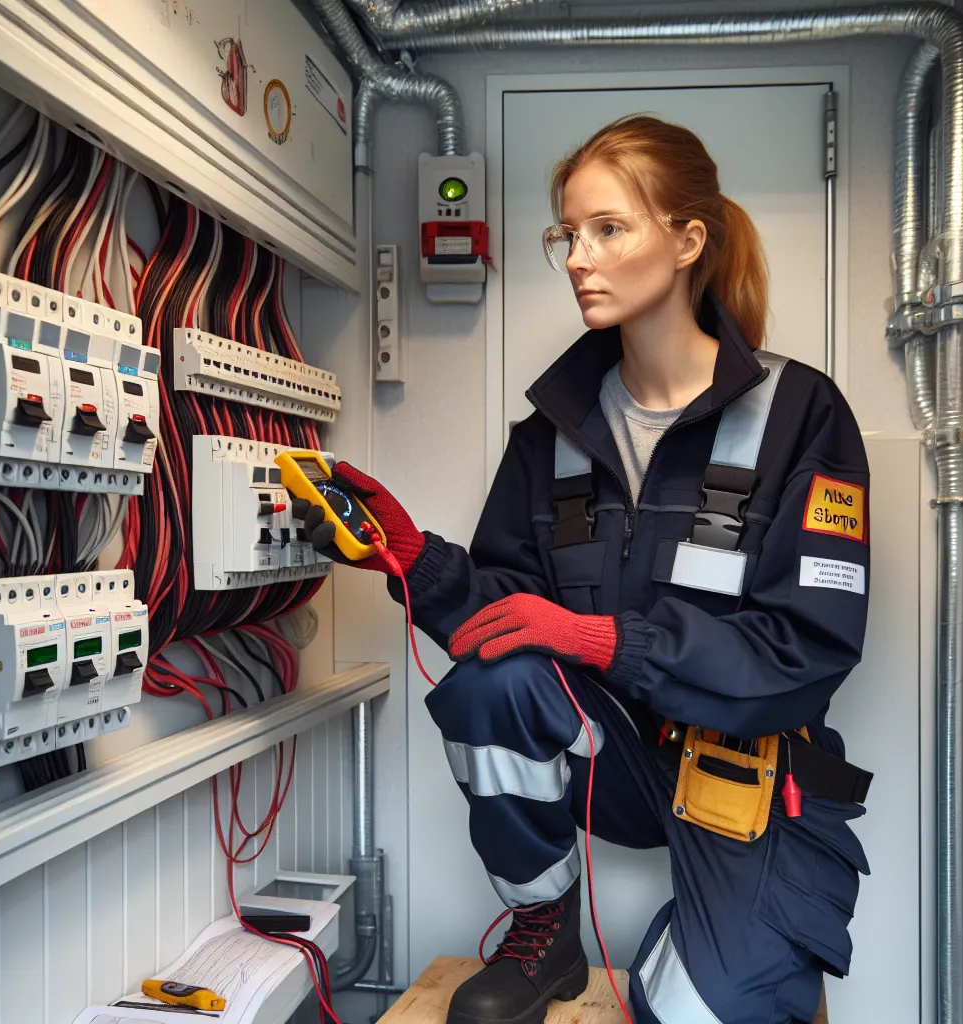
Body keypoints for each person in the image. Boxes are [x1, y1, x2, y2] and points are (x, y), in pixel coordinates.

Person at [304, 115, 873, 1024]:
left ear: (687, 241)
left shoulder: (801, 415)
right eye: (567, 234)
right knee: (491, 686)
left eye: (608, 229)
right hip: (612, 765)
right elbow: (508, 615)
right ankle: (548, 929)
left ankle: (704, 947)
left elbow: (807, 649)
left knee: (698, 1012)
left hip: (748, 773)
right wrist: (413, 561)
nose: (578, 258)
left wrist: (605, 640)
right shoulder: (553, 432)